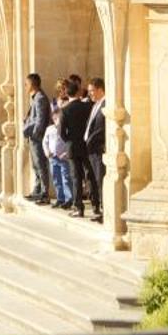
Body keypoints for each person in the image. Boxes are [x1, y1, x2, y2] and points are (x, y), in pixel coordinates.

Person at [58, 75, 94, 217]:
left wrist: (69, 140)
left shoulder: (65, 110)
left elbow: (61, 132)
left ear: (67, 93)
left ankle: (78, 206)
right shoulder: (87, 107)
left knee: (76, 177)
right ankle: (96, 204)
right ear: (79, 93)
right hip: (86, 145)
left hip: (72, 147)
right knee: (90, 175)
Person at [21, 73, 50, 202]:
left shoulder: (40, 98)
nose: (25, 87)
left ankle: (44, 192)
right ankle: (37, 189)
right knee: (35, 165)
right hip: (33, 136)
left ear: (32, 84)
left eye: (26, 84)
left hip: (37, 137)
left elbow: (40, 119)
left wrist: (35, 134)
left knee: (40, 164)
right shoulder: (35, 98)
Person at [84, 77, 107, 225]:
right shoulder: (95, 104)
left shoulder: (106, 103)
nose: (90, 94)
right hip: (91, 150)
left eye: (92, 91)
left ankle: (106, 212)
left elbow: (102, 128)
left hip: (98, 149)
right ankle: (100, 209)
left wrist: (90, 140)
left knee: (101, 181)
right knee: (95, 181)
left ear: (100, 90)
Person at [43, 104, 74, 207]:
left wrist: (66, 152)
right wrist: (47, 151)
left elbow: (69, 141)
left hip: (63, 157)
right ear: (52, 118)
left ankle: (68, 198)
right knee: (56, 178)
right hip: (53, 157)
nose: (57, 120)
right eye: (55, 118)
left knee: (66, 178)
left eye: (59, 118)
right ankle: (60, 198)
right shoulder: (49, 129)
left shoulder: (66, 129)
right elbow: (45, 141)